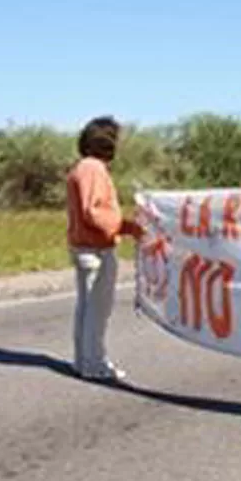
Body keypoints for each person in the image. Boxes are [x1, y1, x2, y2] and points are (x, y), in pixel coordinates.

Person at [66, 116, 144, 381]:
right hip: (95, 249)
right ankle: (94, 364)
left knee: (87, 309)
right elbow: (94, 212)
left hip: (85, 248)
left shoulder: (82, 167)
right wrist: (126, 227)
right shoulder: (92, 169)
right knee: (97, 311)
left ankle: (83, 361)